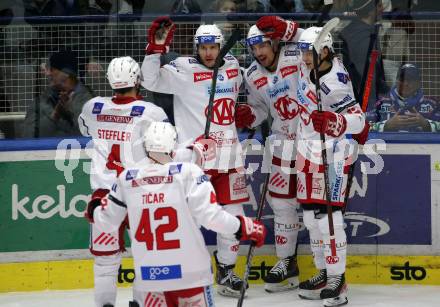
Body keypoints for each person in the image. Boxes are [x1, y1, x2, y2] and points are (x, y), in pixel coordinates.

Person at [86, 121, 267, 307]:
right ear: (173, 146)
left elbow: (106, 222)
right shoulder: (189, 173)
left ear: (145, 146)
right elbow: (211, 217)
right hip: (192, 278)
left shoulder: (127, 178)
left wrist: (95, 209)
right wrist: (244, 226)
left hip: (149, 281)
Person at [141, 17, 251, 298]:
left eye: (213, 47)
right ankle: (187, 273)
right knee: (189, 220)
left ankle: (226, 271)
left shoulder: (233, 68)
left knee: (235, 216)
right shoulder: (183, 70)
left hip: (229, 157)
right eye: (203, 48)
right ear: (195, 48)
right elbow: (150, 79)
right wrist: (155, 50)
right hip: (194, 161)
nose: (209, 53)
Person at [78, 56, 169, 307]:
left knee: (105, 262)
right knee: (145, 257)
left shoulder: (93, 106)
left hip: (103, 197)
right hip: (138, 194)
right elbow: (163, 150)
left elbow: (86, 130)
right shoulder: (152, 112)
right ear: (138, 79)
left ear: (110, 80)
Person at [295, 27, 366, 306]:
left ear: (325, 51)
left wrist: (336, 122)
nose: (304, 57)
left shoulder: (334, 83)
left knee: (329, 218)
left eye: (308, 52)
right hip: (307, 152)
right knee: (312, 218)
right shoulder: (309, 66)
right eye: (302, 51)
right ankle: (324, 272)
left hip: (333, 154)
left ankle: (339, 279)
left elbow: (359, 121)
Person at [235, 15, 303, 292]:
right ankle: (287, 263)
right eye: (253, 48)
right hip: (280, 143)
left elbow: (320, 42)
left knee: (316, 209)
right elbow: (261, 109)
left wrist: (291, 29)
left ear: (274, 41)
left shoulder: (294, 52)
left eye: (262, 45)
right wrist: (249, 115)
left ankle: (327, 271)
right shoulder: (252, 74)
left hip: (312, 140)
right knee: (281, 203)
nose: (259, 52)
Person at [23, 50, 93, 137]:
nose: (48, 73)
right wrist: (55, 115)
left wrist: (69, 113)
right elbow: (28, 135)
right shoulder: (43, 100)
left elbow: (89, 137)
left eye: (51, 69)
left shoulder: (89, 102)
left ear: (66, 73)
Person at [339, 0, 389, 110]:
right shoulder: (361, 37)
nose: (382, 9)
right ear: (371, 10)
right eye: (379, 6)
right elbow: (364, 76)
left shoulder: (365, 32)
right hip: (365, 103)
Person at [368, 63, 440, 132]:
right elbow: (362, 127)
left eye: (410, 80)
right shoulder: (379, 102)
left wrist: (426, 124)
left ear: (418, 83)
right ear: (396, 81)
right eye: (402, 79)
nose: (405, 83)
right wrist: (386, 126)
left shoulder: (433, 104)